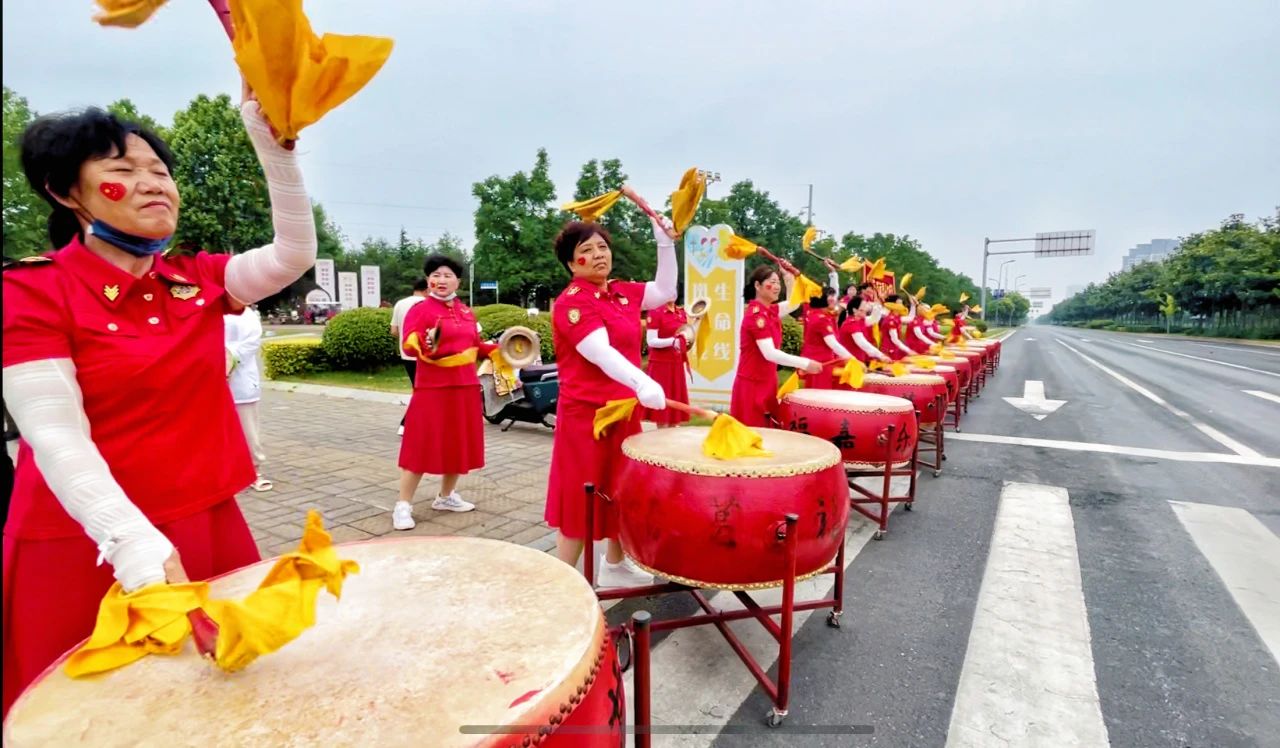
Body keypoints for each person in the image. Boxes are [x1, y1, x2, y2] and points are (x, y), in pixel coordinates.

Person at [1, 88, 317, 715]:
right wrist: (128, 543)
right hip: (86, 541)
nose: (153, 184)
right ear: (67, 193)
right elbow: (54, 435)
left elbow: (293, 255)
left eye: (160, 171)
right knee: (99, 716)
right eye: (122, 171)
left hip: (207, 523)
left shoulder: (196, 277)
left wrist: (272, 148)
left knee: (225, 707)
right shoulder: (33, 289)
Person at [545, 214, 676, 588]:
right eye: (586, 250)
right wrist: (642, 380)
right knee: (581, 497)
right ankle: (564, 580)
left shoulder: (619, 292)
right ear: (572, 264)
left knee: (622, 489)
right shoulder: (572, 301)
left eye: (602, 246)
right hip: (587, 417)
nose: (598, 254)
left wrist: (664, 243)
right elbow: (598, 351)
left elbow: (665, 290)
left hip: (622, 411)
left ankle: (615, 566)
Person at [393, 255, 492, 529]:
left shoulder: (465, 311)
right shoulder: (420, 309)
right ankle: (402, 505)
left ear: (458, 281)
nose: (441, 280)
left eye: (447, 275)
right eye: (436, 275)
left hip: (464, 388)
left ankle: (446, 496)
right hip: (432, 389)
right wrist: (424, 345)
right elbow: (409, 342)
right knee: (420, 445)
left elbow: (476, 346)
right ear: (428, 281)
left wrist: (502, 350)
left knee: (457, 444)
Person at [730, 265, 822, 427]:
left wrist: (789, 277)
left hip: (767, 380)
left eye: (778, 282)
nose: (777, 287)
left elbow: (794, 303)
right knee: (752, 436)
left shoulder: (770, 311)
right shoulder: (756, 316)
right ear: (757, 286)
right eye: (772, 282)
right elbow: (770, 353)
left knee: (769, 433)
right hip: (752, 385)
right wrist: (805, 363)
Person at [225, 304, 271, 491]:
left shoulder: (246, 313)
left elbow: (252, 342)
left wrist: (228, 358)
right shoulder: (205, 306)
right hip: (208, 375)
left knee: (248, 429)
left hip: (241, 379)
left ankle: (254, 470)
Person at [799, 267, 852, 390]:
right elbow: (833, 344)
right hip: (819, 363)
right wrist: (852, 359)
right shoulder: (819, 316)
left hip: (822, 361)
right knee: (817, 397)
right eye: (829, 296)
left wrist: (833, 274)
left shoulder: (824, 313)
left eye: (834, 296)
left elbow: (834, 296)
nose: (833, 299)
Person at [642, 299, 691, 428]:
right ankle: (660, 441)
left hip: (676, 363)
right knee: (662, 410)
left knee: (675, 411)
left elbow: (685, 334)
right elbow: (651, 341)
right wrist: (672, 342)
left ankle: (673, 441)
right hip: (661, 365)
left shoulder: (680, 313)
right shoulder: (656, 312)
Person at [389, 278, 429, 436]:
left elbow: (393, 331)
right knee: (422, 391)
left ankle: (416, 423)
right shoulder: (427, 305)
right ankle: (405, 424)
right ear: (427, 290)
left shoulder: (400, 303)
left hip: (406, 354)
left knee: (420, 390)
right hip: (425, 356)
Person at [838, 298, 893, 370]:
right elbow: (862, 343)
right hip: (850, 365)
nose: (866, 308)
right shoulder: (851, 323)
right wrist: (880, 355)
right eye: (863, 306)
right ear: (855, 310)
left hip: (858, 363)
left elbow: (874, 319)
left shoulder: (860, 320)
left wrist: (877, 306)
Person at [880, 293, 917, 361]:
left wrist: (913, 305)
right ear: (892, 305)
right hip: (889, 351)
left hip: (895, 349)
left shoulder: (897, 317)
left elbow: (910, 318)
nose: (901, 306)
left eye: (901, 303)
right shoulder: (890, 319)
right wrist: (908, 350)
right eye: (899, 303)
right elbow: (895, 340)